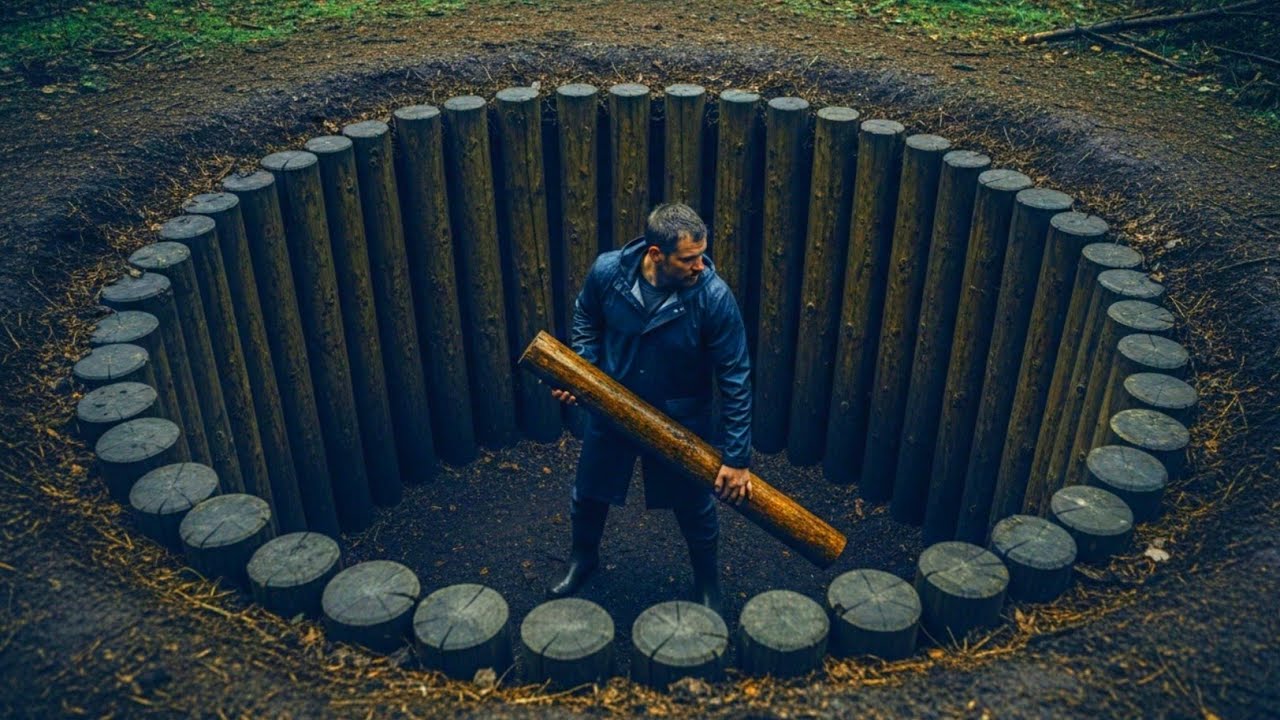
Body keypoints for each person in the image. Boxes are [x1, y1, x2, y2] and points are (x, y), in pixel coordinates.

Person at [548, 202, 752, 617]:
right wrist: (583, 373)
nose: (701, 266)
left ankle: (708, 585)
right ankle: (582, 560)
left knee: (695, 507)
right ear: (655, 254)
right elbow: (586, 316)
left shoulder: (714, 297)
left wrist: (737, 459)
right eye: (689, 258)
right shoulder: (608, 272)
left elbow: (735, 376)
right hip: (611, 407)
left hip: (679, 422)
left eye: (702, 254)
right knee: (588, 495)